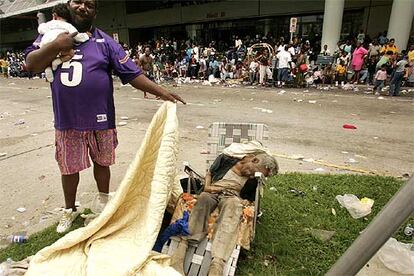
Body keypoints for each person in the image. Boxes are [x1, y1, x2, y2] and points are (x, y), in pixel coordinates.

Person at [25, 0, 185, 234]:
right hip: (67, 119)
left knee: (103, 162)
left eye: (89, 4)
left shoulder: (105, 42)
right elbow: (31, 64)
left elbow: (132, 74)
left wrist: (162, 92)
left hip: (101, 118)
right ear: (69, 5)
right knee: (68, 168)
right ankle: (69, 210)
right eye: (77, 1)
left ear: (95, 11)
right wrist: (57, 45)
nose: (82, 7)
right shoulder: (53, 34)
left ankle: (103, 202)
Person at [171, 153, 278, 276]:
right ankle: (180, 253)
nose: (253, 175)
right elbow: (210, 173)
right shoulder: (226, 159)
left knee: (233, 208)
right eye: (255, 172)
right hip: (212, 191)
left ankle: (217, 266)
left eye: (257, 175)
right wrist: (209, 187)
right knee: (204, 200)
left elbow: (250, 199)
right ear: (254, 160)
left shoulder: (253, 180)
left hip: (231, 196)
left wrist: (245, 200)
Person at [37, 3, 89, 83]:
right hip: (61, 47)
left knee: (46, 57)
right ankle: (58, 61)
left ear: (54, 15)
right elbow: (78, 36)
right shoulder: (67, 25)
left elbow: (40, 29)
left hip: (45, 45)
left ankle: (47, 67)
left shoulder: (48, 24)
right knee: (71, 53)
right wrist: (86, 36)